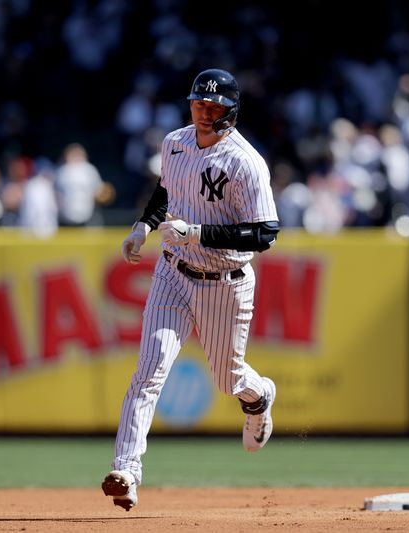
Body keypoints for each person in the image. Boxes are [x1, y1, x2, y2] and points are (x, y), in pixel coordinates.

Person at [102, 68, 280, 511]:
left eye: (214, 106)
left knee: (227, 378)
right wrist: (143, 226)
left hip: (225, 282)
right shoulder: (175, 142)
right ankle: (127, 470)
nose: (204, 112)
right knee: (149, 371)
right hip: (172, 273)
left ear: (231, 111)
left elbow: (265, 234)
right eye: (199, 103)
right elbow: (167, 189)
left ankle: (259, 397)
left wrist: (199, 233)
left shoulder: (245, 162)